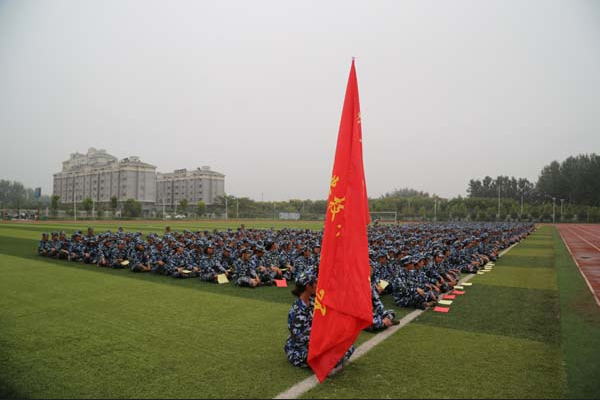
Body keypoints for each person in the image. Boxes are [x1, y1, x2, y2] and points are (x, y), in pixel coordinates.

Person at [284, 268, 354, 368]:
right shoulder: (296, 310)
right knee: (328, 357)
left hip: (317, 342)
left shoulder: (313, 303)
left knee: (348, 346)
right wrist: (324, 341)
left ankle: (333, 361)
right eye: (315, 283)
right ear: (308, 286)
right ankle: (330, 362)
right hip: (300, 349)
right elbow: (300, 339)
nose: (317, 285)